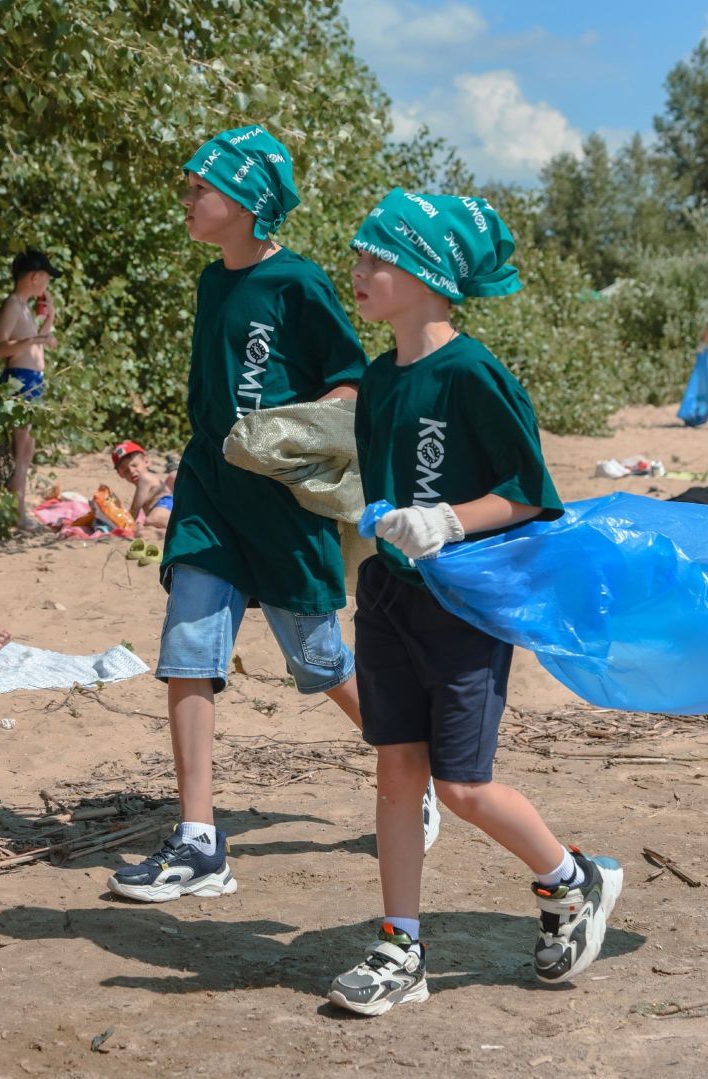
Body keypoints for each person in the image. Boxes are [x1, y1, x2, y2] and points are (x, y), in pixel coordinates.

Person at [106, 125, 439, 904]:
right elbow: (206, 402)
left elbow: (351, 378)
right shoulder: (208, 283)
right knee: (189, 644)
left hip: (284, 509)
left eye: (200, 186)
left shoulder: (297, 283)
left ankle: (408, 764)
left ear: (248, 200)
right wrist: (162, 478)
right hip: (212, 499)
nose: (187, 198)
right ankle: (197, 841)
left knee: (319, 659)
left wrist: (295, 431)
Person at [328, 189, 623, 1015]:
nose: (358, 269)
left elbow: (531, 491)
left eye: (375, 258)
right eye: (359, 254)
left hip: (462, 608)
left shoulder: (474, 372)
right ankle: (400, 945)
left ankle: (571, 879)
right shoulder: (379, 376)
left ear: (426, 272)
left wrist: (450, 519)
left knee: (461, 786)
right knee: (395, 772)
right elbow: (381, 485)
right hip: (386, 595)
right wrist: (368, 514)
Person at [0, 250, 60, 530]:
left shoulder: (24, 307)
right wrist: (35, 337)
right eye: (46, 278)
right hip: (19, 379)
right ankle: (17, 513)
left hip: (31, 379)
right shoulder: (12, 304)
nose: (47, 285)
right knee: (20, 448)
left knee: (27, 448)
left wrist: (49, 318)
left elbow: (31, 343)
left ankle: (16, 508)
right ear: (35, 277)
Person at [112, 440, 173, 537]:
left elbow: (134, 511)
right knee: (148, 527)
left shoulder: (145, 478)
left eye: (134, 465)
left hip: (166, 504)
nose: (131, 471)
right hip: (165, 507)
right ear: (120, 474)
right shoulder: (143, 481)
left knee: (152, 520)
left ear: (146, 461)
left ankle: (182, 530)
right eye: (125, 470)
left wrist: (124, 525)